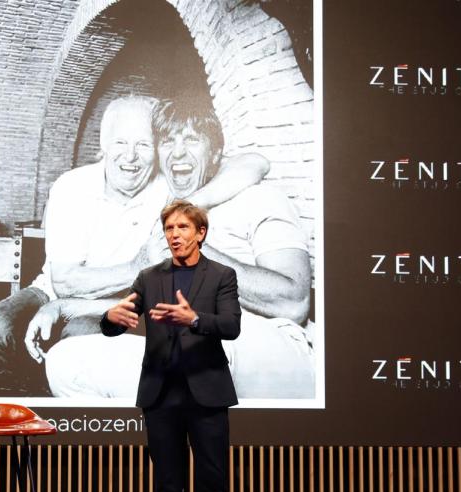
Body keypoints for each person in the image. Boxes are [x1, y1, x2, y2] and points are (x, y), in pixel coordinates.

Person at [0, 95, 269, 378]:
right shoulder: (71, 186)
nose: (130, 156)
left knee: (79, 336)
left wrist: (190, 205)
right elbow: (65, 282)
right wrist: (138, 264)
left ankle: (67, 404)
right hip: (51, 293)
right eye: (121, 143)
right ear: (103, 146)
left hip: (124, 302)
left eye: (143, 144)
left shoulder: (170, 185)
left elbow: (255, 163)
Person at [44, 97, 314, 399]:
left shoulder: (258, 198)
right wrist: (61, 307)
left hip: (270, 346)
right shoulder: (164, 209)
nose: (178, 152)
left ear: (216, 155)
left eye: (191, 140)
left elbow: (295, 302)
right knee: (66, 363)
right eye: (168, 141)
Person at [102, 200, 241, 492]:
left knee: (213, 484)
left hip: (207, 394)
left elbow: (231, 325)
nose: (175, 235)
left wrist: (194, 319)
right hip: (161, 395)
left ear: (201, 233)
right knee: (167, 486)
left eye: (182, 228)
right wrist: (108, 318)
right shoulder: (150, 277)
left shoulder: (222, 275)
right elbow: (119, 318)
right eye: (169, 229)